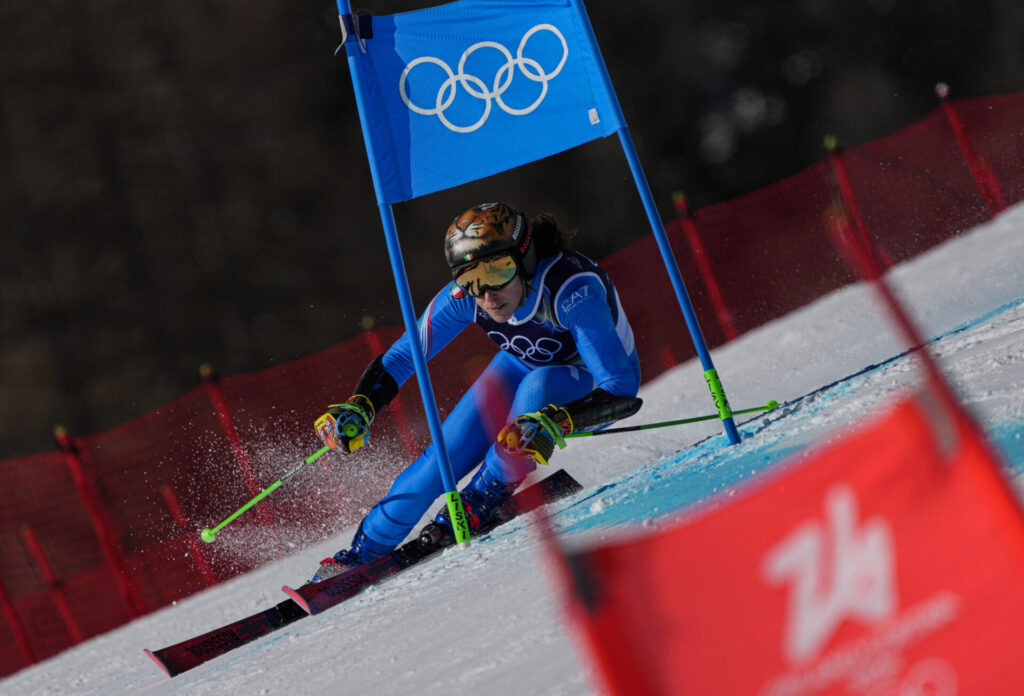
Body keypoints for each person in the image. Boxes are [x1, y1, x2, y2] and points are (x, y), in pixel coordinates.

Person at [310, 202, 642, 582]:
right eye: (470, 278)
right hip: (522, 363)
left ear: (525, 257)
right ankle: (361, 553)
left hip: (587, 384)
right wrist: (363, 403)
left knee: (537, 391)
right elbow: (404, 357)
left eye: (497, 270)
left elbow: (621, 390)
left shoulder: (571, 290)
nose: (485, 294)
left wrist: (559, 420)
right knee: (441, 459)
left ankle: (483, 495)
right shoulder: (467, 296)